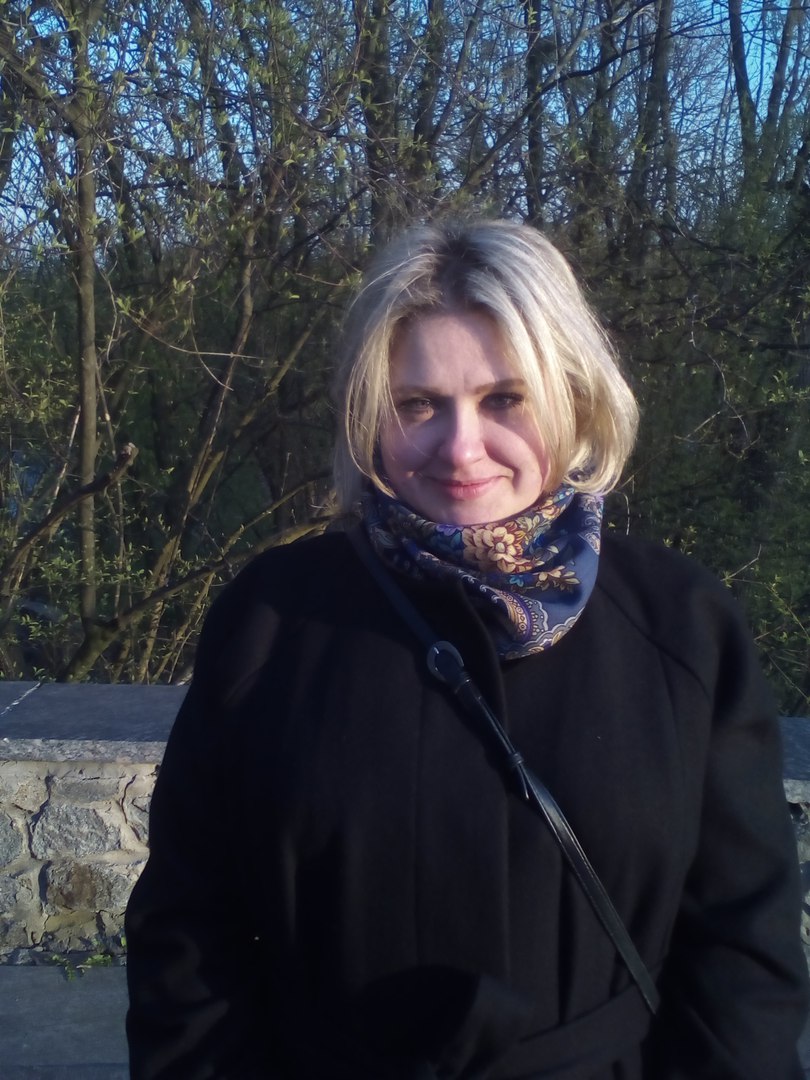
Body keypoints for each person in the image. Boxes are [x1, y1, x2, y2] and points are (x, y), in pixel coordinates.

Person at [125, 219, 808, 1079]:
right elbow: (190, 935)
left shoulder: (682, 624)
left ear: (575, 398)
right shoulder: (271, 620)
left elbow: (742, 953)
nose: (460, 448)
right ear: (370, 415)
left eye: (505, 399)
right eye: (419, 404)